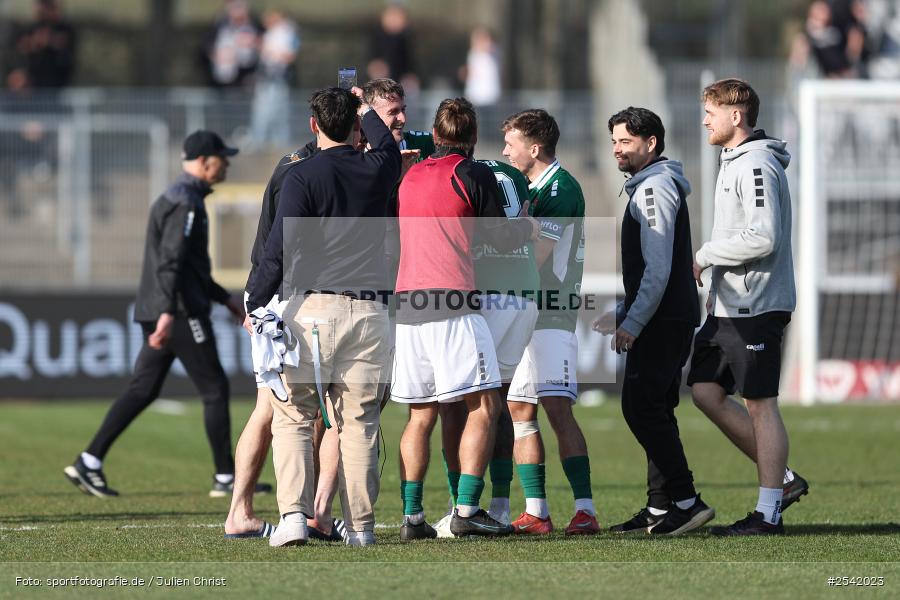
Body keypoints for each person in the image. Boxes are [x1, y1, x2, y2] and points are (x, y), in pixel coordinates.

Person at [223, 77, 430, 540]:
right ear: (358, 129)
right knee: (360, 423)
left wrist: (255, 302)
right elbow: (382, 141)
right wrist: (364, 110)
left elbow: (276, 248)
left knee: (294, 416)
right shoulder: (379, 166)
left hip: (313, 308)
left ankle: (294, 518)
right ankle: (361, 528)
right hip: (373, 313)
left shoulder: (301, 174)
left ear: (314, 124)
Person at [64, 131, 249, 498]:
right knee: (214, 388)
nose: (226, 163)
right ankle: (226, 477)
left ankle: (89, 460)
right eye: (222, 158)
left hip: (163, 306)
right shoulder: (187, 204)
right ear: (205, 161)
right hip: (178, 310)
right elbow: (172, 263)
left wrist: (226, 300)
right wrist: (168, 312)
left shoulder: (177, 196)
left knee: (143, 389)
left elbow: (187, 268)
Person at [391, 97, 539, 541]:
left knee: (420, 416)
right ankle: (468, 510)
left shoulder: (411, 173)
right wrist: (526, 227)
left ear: (435, 135)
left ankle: (412, 517)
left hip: (407, 304)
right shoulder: (470, 172)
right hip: (452, 301)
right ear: (473, 139)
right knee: (487, 405)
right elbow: (495, 233)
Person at [690, 78, 809, 536]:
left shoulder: (757, 164)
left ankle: (768, 513)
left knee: (759, 403)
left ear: (735, 116)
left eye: (711, 112)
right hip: (728, 306)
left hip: (757, 304)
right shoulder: (734, 160)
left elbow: (763, 236)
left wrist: (704, 255)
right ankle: (782, 480)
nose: (705, 120)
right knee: (703, 391)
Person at [594, 107, 713, 536]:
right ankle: (662, 507)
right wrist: (626, 311)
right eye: (614, 142)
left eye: (625, 142)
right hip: (667, 315)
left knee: (641, 407)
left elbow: (659, 268)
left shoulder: (653, 190)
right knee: (655, 408)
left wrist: (634, 321)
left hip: (664, 318)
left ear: (651, 144)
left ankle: (686, 500)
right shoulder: (651, 185)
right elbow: (653, 267)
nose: (617, 151)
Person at [501, 109, 600, 536]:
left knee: (557, 407)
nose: (506, 151)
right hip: (527, 311)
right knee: (520, 409)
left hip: (551, 311)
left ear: (534, 148)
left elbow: (537, 254)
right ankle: (537, 511)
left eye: (511, 143)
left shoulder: (561, 189)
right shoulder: (529, 185)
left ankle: (585, 509)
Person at [249, 9, 300, 149]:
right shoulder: (272, 33)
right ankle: (260, 140)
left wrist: (270, 51)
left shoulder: (287, 32)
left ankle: (279, 142)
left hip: (277, 78)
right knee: (262, 111)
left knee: (279, 112)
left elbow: (289, 56)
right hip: (267, 78)